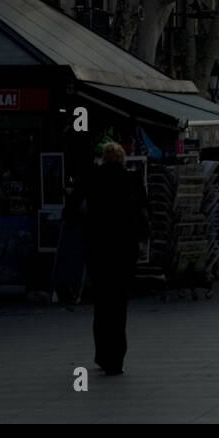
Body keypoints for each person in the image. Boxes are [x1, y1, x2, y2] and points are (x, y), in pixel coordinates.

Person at [77, 142, 147, 376]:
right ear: (122, 159)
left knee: (102, 302)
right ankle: (117, 357)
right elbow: (143, 212)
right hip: (125, 250)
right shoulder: (133, 180)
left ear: (103, 159)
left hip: (98, 249)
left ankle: (102, 354)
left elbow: (71, 210)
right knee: (119, 303)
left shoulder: (90, 177)